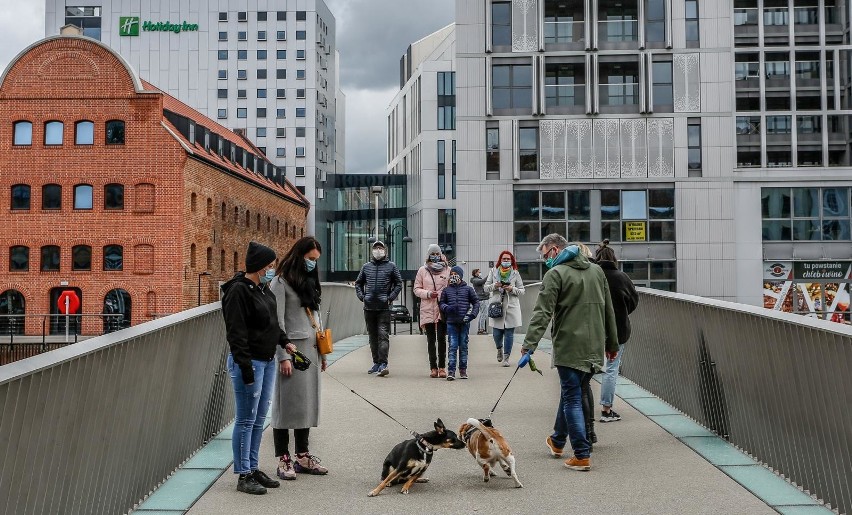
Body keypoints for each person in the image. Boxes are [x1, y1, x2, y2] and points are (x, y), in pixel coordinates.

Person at [521, 233, 618, 472]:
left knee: (572, 397)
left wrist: (529, 345)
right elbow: (609, 311)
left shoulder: (555, 274)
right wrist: (612, 344)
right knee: (573, 393)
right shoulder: (597, 272)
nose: (545, 261)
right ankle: (556, 441)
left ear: (555, 250)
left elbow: (542, 312)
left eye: (545, 255)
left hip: (569, 345)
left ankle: (581, 455)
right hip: (594, 345)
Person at [221, 241, 294, 495]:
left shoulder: (264, 291)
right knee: (245, 419)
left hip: (267, 360)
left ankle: (252, 468)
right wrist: (245, 368)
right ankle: (243, 474)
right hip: (249, 362)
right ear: (260, 267)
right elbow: (236, 333)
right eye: (270, 266)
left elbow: (272, 324)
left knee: (258, 419)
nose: (272, 269)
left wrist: (285, 342)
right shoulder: (238, 291)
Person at [269, 236, 329, 479]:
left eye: (316, 260)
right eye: (310, 259)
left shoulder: (309, 281)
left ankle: (302, 455)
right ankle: (284, 459)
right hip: (292, 352)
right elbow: (277, 322)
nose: (313, 263)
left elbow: (316, 316)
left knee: (305, 405)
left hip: (311, 351)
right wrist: (282, 355)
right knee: (285, 406)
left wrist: (323, 352)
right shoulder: (280, 283)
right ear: (299, 256)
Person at [594, 239, 639, 423]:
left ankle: (582, 408)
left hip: (593, 329)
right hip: (618, 330)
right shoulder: (621, 277)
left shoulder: (593, 276)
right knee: (611, 370)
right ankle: (606, 409)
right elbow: (633, 301)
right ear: (614, 259)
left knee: (587, 369)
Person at [355, 240, 402, 377]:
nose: (378, 250)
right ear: (372, 251)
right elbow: (358, 283)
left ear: (385, 251)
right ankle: (376, 362)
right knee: (372, 336)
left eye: (380, 248)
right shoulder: (366, 267)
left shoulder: (391, 266)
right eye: (375, 248)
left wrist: (390, 297)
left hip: (384, 307)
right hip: (368, 307)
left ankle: (383, 363)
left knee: (383, 336)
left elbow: (399, 284)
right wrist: (362, 296)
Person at [413, 244, 450, 377]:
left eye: (437, 253)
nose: (435, 256)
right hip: (428, 308)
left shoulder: (447, 269)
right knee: (431, 339)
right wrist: (428, 293)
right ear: (428, 256)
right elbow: (416, 289)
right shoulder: (422, 270)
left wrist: (443, 296)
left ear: (441, 254)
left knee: (441, 338)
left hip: (442, 309)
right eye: (432, 254)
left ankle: (442, 367)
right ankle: (433, 368)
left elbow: (451, 288)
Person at [483, 251, 525, 367]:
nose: (506, 261)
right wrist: (495, 286)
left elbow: (522, 290)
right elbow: (486, 288)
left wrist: (511, 288)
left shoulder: (515, 273)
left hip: (511, 306)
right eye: (504, 259)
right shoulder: (493, 272)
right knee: (496, 333)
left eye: (508, 259)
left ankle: (506, 357)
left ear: (511, 260)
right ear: (500, 260)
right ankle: (499, 349)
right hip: (497, 305)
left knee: (509, 333)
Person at [439, 266, 480, 381]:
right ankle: (451, 370)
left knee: (463, 345)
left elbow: (476, 302)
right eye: (451, 274)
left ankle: (463, 370)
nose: (453, 276)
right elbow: (441, 303)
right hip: (451, 322)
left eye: (455, 274)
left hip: (464, 322)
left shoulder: (468, 289)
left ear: (460, 276)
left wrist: (472, 315)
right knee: (452, 346)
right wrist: (447, 308)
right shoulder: (446, 290)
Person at [469, 268, 489, 335]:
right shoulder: (475, 280)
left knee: (483, 314)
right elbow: (482, 281)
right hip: (482, 299)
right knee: (483, 314)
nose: (480, 273)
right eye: (479, 272)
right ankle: (481, 329)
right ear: (475, 273)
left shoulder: (477, 279)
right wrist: (490, 275)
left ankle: (481, 329)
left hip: (483, 298)